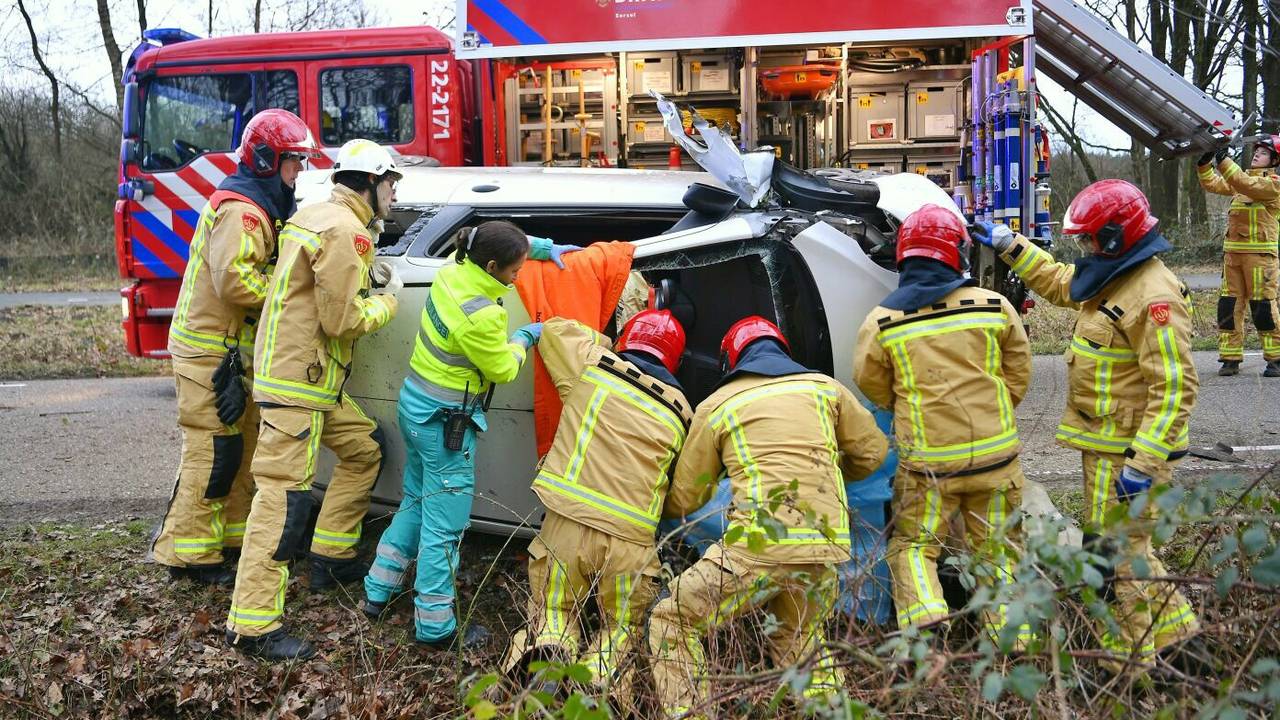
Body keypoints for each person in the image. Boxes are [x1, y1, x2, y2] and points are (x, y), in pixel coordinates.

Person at [974, 179, 1200, 667]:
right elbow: (1061, 283)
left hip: (1130, 455)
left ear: (1117, 236)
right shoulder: (1113, 274)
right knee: (1114, 551)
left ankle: (1136, 662)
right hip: (1106, 447)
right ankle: (1180, 643)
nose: (1082, 248)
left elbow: (1175, 388)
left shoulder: (1152, 296)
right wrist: (1010, 245)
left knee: (1120, 558)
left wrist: (1143, 465)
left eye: (1088, 239)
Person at [649, 317, 888, 718]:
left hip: (755, 550)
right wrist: (827, 476)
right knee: (800, 642)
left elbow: (690, 495)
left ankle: (689, 712)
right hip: (823, 549)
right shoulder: (824, 388)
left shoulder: (718, 405)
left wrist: (654, 510)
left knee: (672, 619)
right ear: (783, 350)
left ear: (730, 360)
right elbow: (873, 452)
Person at [224, 138, 403, 660]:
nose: (393, 192)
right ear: (370, 182)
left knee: (365, 448)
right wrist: (386, 305)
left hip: (305, 380)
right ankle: (253, 625)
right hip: (298, 386)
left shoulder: (315, 213)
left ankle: (331, 554)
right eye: (391, 182)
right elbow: (343, 320)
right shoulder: (346, 231)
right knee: (281, 500)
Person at [361, 221, 575, 650]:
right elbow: (502, 368)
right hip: (445, 427)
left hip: (416, 406)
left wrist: (543, 245)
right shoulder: (483, 314)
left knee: (417, 503)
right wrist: (524, 337)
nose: (518, 278)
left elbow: (492, 240)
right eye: (514, 271)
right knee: (445, 525)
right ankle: (435, 627)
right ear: (493, 267)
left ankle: (376, 590)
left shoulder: (454, 268)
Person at [853, 204, 1033, 650]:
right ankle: (1015, 648)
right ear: (957, 255)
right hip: (996, 460)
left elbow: (871, 382)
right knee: (998, 550)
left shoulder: (883, 322)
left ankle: (927, 633)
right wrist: (994, 411)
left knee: (915, 547)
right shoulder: (994, 308)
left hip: (930, 468)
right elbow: (1018, 372)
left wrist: (910, 409)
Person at [153, 109, 320, 585]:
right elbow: (236, 283)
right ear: (268, 160)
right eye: (293, 162)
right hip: (207, 350)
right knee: (214, 453)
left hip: (227, 352)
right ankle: (189, 555)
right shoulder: (243, 210)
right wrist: (290, 287)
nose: (298, 172)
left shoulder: (260, 203)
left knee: (241, 449)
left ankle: (227, 540)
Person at [501, 310, 692, 703]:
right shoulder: (683, 414)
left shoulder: (592, 367)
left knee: (553, 610)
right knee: (620, 627)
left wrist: (605, 343)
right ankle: (598, 686)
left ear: (629, 340)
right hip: (630, 544)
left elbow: (554, 329)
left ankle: (547, 662)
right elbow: (683, 493)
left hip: (567, 526)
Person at [1197, 137, 1280, 377]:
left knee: (1262, 307)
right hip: (1232, 257)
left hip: (1260, 258)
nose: (1256, 155)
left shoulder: (1273, 185)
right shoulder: (1240, 180)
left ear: (1274, 161)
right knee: (1229, 307)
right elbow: (1213, 183)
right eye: (1256, 151)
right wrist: (1205, 165)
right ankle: (1230, 358)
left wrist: (1223, 160)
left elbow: (1245, 184)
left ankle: (1275, 358)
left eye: (1263, 153)